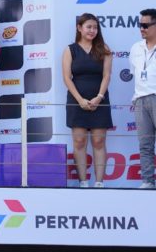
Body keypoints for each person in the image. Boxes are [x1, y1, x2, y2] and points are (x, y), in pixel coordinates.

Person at [62, 13, 112, 188]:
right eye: (89, 27)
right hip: (77, 101)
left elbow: (106, 76)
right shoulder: (70, 50)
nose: (92, 30)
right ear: (79, 28)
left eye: (95, 27)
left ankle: (99, 183)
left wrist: (99, 97)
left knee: (99, 142)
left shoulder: (104, 49)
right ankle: (83, 182)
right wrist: (80, 100)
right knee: (79, 142)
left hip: (100, 101)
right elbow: (67, 77)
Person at [130, 8, 156, 189]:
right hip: (140, 99)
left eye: (146, 25)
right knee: (145, 144)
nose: (142, 29)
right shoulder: (135, 48)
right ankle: (147, 181)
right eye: (140, 25)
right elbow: (135, 73)